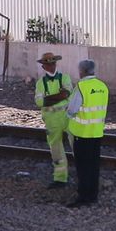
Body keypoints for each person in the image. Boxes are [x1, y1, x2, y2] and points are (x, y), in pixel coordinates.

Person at [64, 59, 109, 207]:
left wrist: (68, 114)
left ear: (82, 71)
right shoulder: (102, 86)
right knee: (93, 166)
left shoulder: (81, 87)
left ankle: (83, 197)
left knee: (83, 167)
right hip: (96, 133)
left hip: (81, 134)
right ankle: (93, 195)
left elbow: (72, 110)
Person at [33, 53, 74, 189]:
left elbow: (67, 93)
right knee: (56, 149)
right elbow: (40, 102)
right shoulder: (40, 83)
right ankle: (60, 178)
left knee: (77, 146)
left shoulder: (65, 77)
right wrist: (60, 96)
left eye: (53, 63)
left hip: (67, 117)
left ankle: (83, 174)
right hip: (52, 119)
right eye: (48, 64)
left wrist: (50, 98)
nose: (51, 66)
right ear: (43, 66)